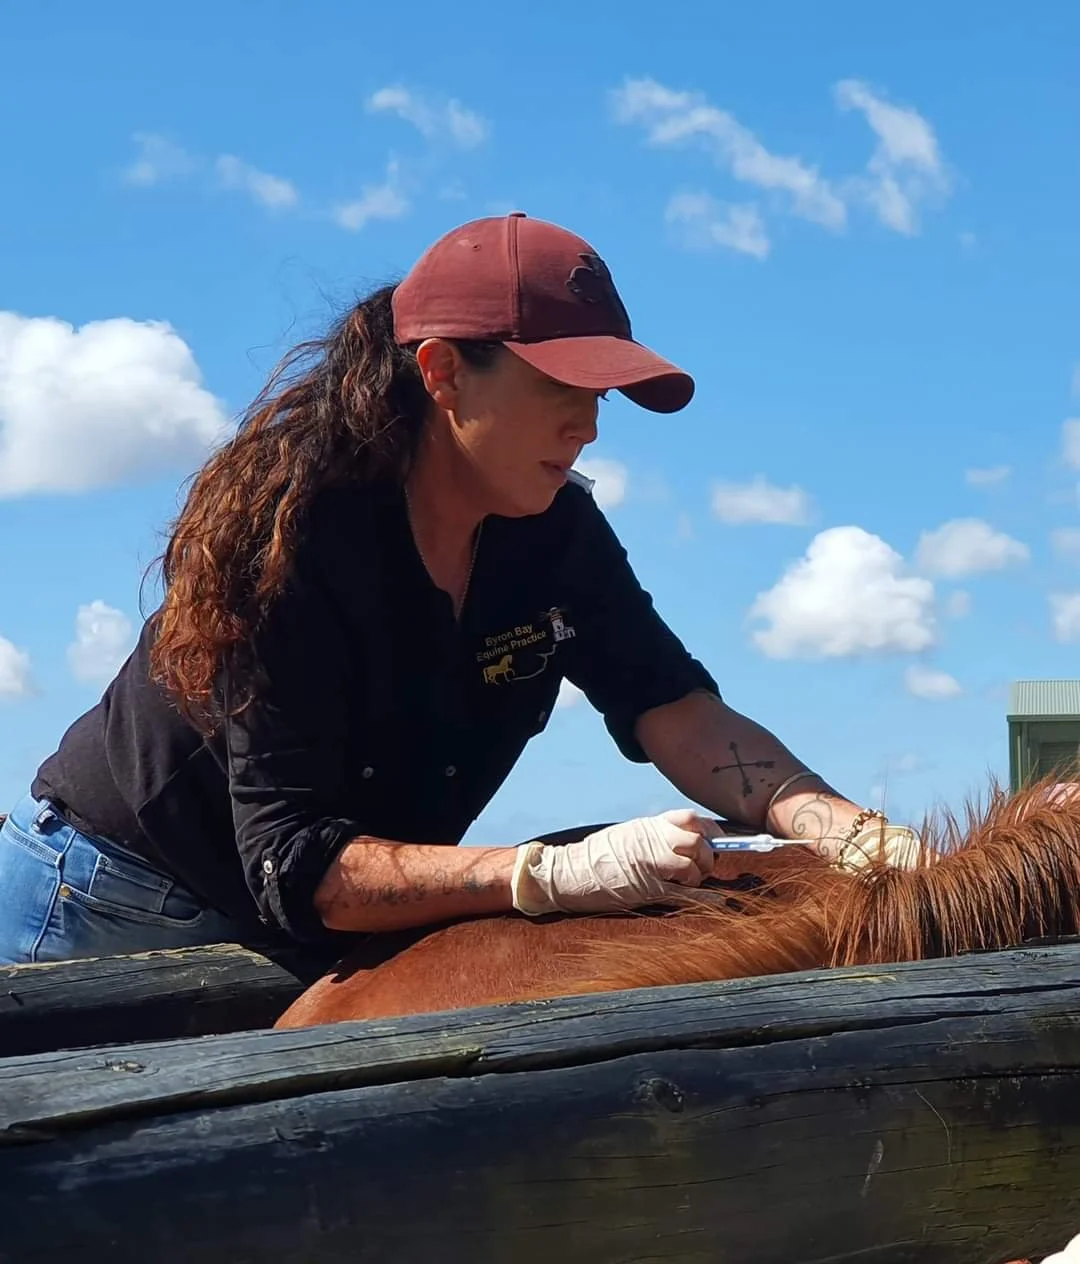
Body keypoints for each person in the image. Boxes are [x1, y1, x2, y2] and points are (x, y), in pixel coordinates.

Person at [0, 212, 928, 969]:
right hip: (109, 903)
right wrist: (550, 874)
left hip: (317, 930)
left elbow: (673, 708)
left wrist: (843, 827)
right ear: (442, 372)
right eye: (565, 385)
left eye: (603, 396)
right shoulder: (290, 542)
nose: (591, 428)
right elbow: (297, 860)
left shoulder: (555, 531)